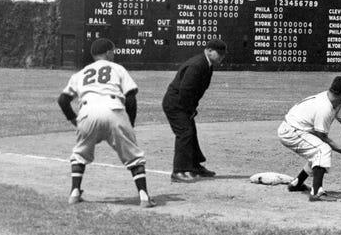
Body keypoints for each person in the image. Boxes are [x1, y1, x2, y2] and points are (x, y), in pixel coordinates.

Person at [57, 38, 156, 208]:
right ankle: (144, 196)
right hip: (113, 110)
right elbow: (131, 97)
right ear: (108, 52)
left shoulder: (81, 73)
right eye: (113, 51)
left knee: (80, 154)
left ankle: (74, 192)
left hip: (87, 112)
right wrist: (129, 124)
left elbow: (62, 100)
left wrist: (75, 121)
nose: (114, 54)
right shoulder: (118, 69)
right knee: (134, 157)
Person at [277, 76, 341, 202]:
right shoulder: (324, 107)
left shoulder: (335, 102)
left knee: (316, 152)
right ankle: (317, 192)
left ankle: (297, 183)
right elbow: (322, 136)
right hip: (291, 131)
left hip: (299, 128)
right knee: (322, 150)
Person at [162, 39, 227, 182]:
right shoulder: (198, 64)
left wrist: (191, 109)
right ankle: (178, 171)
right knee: (185, 133)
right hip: (176, 104)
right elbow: (185, 90)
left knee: (191, 132)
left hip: (182, 103)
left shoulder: (207, 64)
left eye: (223, 54)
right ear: (209, 50)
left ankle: (194, 166)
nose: (222, 57)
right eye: (219, 53)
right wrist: (189, 109)